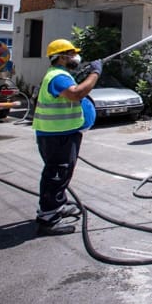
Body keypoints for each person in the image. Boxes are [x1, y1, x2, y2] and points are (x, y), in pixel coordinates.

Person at [31, 38, 102, 236]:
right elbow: (77, 93)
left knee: (62, 172)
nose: (75, 57)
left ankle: (58, 206)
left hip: (63, 132)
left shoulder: (61, 75)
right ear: (61, 57)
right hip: (57, 134)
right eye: (71, 54)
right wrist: (95, 73)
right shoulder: (58, 76)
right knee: (56, 174)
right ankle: (48, 219)